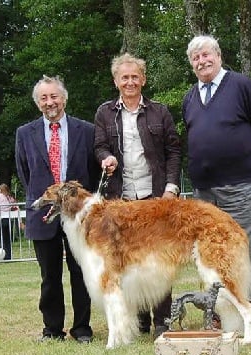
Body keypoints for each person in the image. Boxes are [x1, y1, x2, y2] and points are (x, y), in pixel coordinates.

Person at [182, 35, 251, 333]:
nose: (201, 61)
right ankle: (218, 309)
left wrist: (243, 153)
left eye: (206, 55)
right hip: (204, 191)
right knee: (210, 254)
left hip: (241, 185)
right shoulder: (190, 97)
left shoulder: (242, 86)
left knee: (249, 249)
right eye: (195, 58)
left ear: (218, 56)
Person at [94, 53, 181, 339]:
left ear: (143, 79)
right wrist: (106, 157)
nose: (130, 82)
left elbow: (174, 152)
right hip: (121, 201)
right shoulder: (104, 113)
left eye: (135, 77)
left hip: (155, 198)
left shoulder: (160, 112)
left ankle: (163, 321)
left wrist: (171, 188)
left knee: (160, 261)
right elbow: (99, 146)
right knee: (130, 263)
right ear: (116, 81)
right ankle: (141, 320)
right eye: (124, 77)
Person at [15, 75, 100, 343]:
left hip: (78, 216)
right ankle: (52, 329)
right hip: (43, 215)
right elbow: (24, 173)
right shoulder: (24, 133)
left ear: (64, 98)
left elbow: (93, 171)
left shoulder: (85, 130)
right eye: (44, 98)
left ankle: (82, 328)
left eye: (54, 96)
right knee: (49, 276)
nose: (50, 102)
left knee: (80, 272)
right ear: (38, 102)